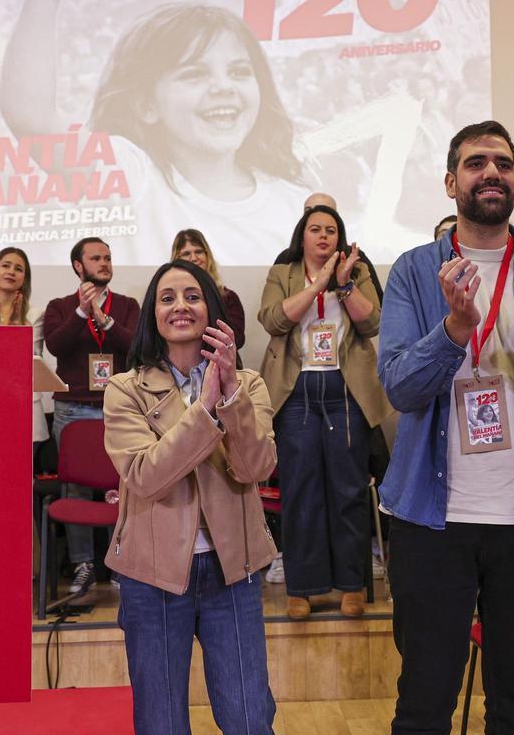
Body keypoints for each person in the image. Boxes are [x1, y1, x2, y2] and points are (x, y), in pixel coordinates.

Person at [378, 121, 514, 732]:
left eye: (503, 162)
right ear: (451, 182)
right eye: (476, 163)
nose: (491, 172)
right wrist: (453, 331)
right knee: (424, 703)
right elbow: (398, 386)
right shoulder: (414, 271)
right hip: (432, 517)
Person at [1, 0, 306, 266]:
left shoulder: (296, 205)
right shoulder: (131, 177)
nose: (223, 87)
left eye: (240, 71)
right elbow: (30, 115)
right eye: (193, 74)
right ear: (146, 106)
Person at [103, 259, 277, 733]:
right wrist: (202, 409)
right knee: (162, 723)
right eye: (167, 298)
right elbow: (144, 476)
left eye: (193, 296)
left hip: (233, 573)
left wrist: (229, 396)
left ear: (212, 310)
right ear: (153, 316)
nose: (181, 305)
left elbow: (255, 467)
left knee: (249, 719)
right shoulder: (124, 390)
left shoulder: (250, 384)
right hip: (151, 577)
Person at [258, 204, 390, 619]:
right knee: (302, 490)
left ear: (340, 236)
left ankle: (351, 585)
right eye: (315, 229)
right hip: (296, 391)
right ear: (302, 235)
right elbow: (273, 320)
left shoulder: (357, 271)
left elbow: (373, 325)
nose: (323, 236)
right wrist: (317, 288)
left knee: (348, 490)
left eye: (331, 230)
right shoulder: (284, 273)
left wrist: (345, 285)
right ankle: (303, 587)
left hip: (344, 389)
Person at [42, 237, 141, 593]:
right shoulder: (60, 306)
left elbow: (136, 347)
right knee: (77, 488)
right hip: (73, 410)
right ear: (77, 266)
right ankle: (83, 564)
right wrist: (83, 315)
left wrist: (106, 321)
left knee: (126, 487)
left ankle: (123, 561)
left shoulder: (128, 306)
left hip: (120, 407)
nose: (104, 263)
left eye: (108, 257)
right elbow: (55, 345)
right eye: (96, 258)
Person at [274, 192, 384, 302]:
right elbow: (271, 314)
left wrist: (346, 285)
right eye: (308, 211)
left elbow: (378, 308)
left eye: (324, 211)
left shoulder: (354, 257)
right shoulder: (287, 258)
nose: (316, 216)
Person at [0, 247, 49, 450]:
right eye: (5, 265)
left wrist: (16, 324)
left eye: (18, 269)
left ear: (25, 278)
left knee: (22, 478)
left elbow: (30, 358)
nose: (11, 272)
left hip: (22, 402)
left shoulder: (35, 315)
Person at [170, 228, 245, 347]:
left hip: (219, 362)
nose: (194, 258)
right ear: (176, 259)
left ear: (207, 256)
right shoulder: (166, 299)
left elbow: (238, 339)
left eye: (199, 252)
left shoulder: (227, 297)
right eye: (186, 254)